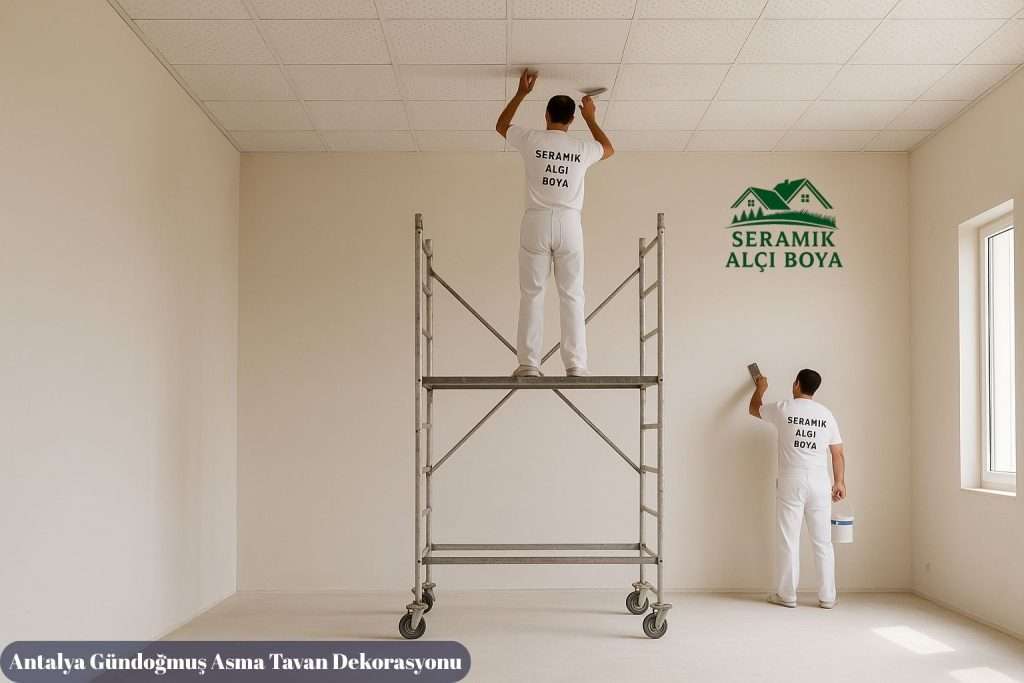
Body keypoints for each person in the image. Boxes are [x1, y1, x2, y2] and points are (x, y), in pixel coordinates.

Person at [495, 69, 615, 378]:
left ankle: (529, 363)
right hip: (569, 223)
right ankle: (576, 364)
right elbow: (609, 148)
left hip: (535, 221)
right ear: (571, 120)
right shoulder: (581, 149)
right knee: (572, 293)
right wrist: (591, 117)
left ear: (546, 115)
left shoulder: (532, 139)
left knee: (532, 293)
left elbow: (501, 125)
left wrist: (522, 93)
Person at [749, 368, 847, 609]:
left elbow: (754, 408)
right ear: (814, 389)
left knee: (788, 540)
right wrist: (840, 481)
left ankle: (787, 595)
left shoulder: (783, 408)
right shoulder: (826, 415)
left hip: (791, 480)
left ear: (796, 384)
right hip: (819, 481)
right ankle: (827, 597)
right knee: (823, 541)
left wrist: (760, 387)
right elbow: (837, 452)